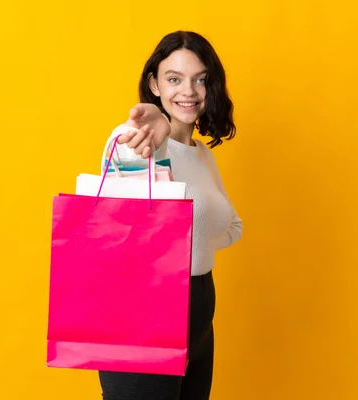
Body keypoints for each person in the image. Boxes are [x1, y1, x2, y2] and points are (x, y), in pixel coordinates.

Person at [98, 30, 243, 400]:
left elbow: (232, 229)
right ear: (155, 85)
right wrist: (158, 136)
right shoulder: (136, 140)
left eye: (200, 79)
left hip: (199, 308)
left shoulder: (202, 156)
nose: (188, 91)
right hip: (143, 311)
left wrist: (198, 240)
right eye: (174, 79)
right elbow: (134, 213)